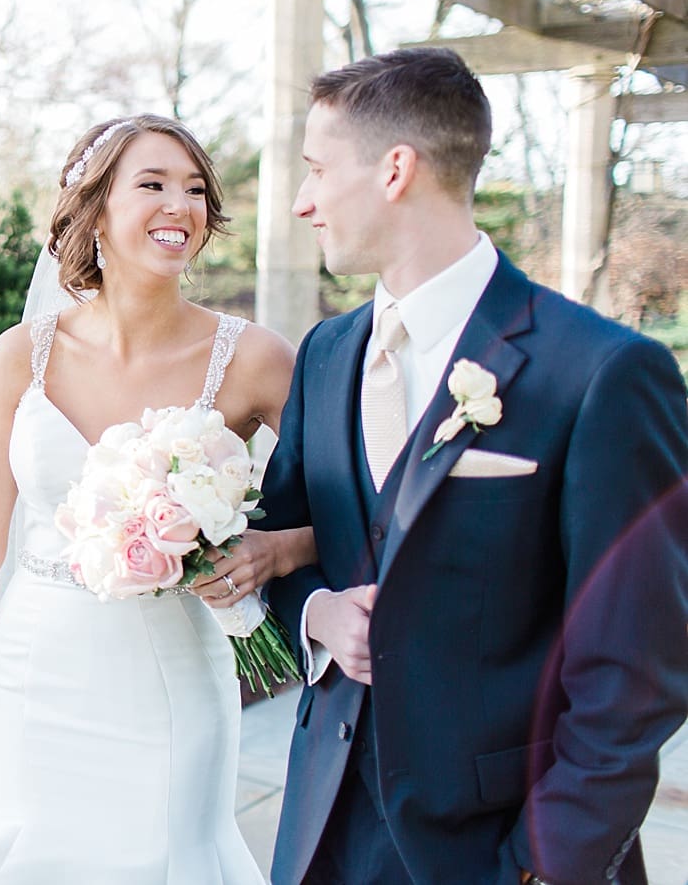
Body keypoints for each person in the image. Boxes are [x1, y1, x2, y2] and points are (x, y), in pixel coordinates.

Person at [0, 114, 314, 884]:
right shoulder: (23, 355)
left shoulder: (254, 358)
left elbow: (346, 508)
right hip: (32, 672)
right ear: (94, 208)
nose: (178, 206)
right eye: (150, 184)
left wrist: (277, 550)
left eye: (193, 189)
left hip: (168, 677)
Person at [262, 47, 688, 885]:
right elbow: (276, 550)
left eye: (316, 169)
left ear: (395, 170)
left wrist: (542, 865)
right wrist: (314, 610)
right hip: (321, 837)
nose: (304, 200)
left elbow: (635, 670)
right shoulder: (323, 354)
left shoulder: (598, 371)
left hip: (496, 849)